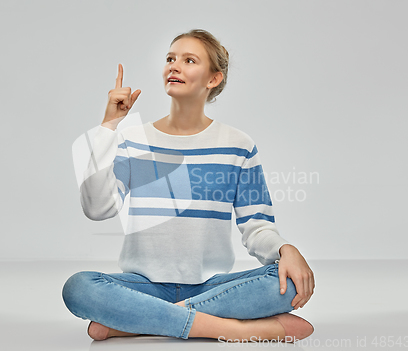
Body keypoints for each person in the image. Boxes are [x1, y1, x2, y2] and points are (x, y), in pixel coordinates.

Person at [62, 29, 315, 342]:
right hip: (143, 285)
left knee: (288, 282)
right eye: (170, 58)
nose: (174, 66)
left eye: (189, 60)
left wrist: (285, 249)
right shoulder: (132, 141)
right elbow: (97, 208)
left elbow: (256, 227)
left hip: (212, 285)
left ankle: (136, 321)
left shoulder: (239, 146)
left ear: (213, 79)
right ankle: (232, 330)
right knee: (78, 288)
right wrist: (108, 126)